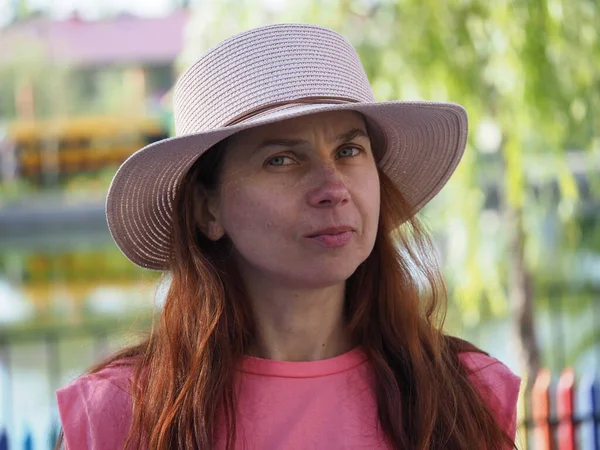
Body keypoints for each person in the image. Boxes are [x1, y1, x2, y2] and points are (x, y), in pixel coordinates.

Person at [56, 23, 520, 449]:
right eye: (281, 159)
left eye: (349, 150)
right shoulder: (122, 415)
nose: (333, 189)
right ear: (207, 208)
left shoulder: (466, 395)